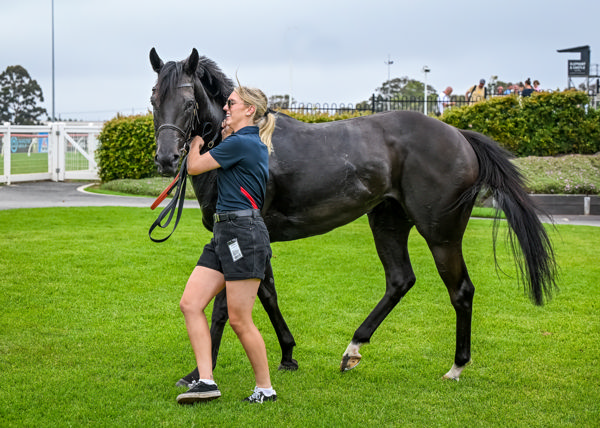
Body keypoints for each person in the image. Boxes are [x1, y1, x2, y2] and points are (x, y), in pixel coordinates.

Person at [176, 85, 277, 405]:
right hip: (225, 233)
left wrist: (195, 143)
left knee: (238, 318)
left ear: (249, 110)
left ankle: (265, 389)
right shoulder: (241, 142)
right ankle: (206, 381)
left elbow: (195, 167)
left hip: (243, 235)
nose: (225, 107)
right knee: (191, 304)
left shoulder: (244, 142)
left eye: (231, 103)